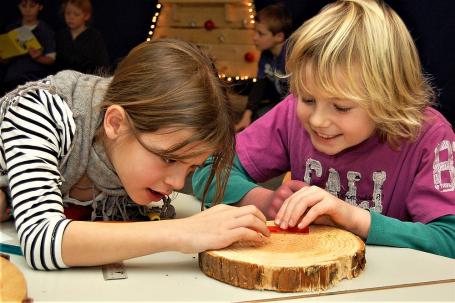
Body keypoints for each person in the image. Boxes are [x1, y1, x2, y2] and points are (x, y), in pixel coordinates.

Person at [193, 0, 455, 258]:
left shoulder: (429, 137)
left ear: (390, 96)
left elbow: (449, 239)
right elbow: (208, 169)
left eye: (341, 107)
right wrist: (265, 200)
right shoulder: (291, 114)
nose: (317, 120)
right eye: (307, 99)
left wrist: (354, 219)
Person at [0, 38, 269, 270]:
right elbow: (40, 240)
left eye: (190, 168)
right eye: (168, 158)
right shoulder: (42, 112)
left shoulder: (133, 136)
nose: (177, 184)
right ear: (115, 123)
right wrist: (183, 231)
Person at [235, 4, 292, 130]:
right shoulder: (266, 54)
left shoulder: (291, 57)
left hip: (295, 108)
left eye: (261, 34)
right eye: (255, 31)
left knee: (265, 122)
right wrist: (246, 116)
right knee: (258, 117)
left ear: (279, 37)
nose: (254, 37)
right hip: (281, 103)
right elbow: (259, 86)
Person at [0, 0, 55, 96]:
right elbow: (3, 60)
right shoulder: (12, 28)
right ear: (19, 7)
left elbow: (51, 59)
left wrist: (38, 57)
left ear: (40, 7)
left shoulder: (46, 30)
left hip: (35, 79)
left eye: (32, 6)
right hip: (12, 79)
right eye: (24, 6)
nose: (28, 10)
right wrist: (5, 57)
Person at [55, 0, 109, 74]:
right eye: (67, 13)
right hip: (63, 79)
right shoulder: (61, 35)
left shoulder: (94, 36)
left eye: (76, 14)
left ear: (86, 16)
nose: (71, 18)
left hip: (86, 80)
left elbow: (102, 64)